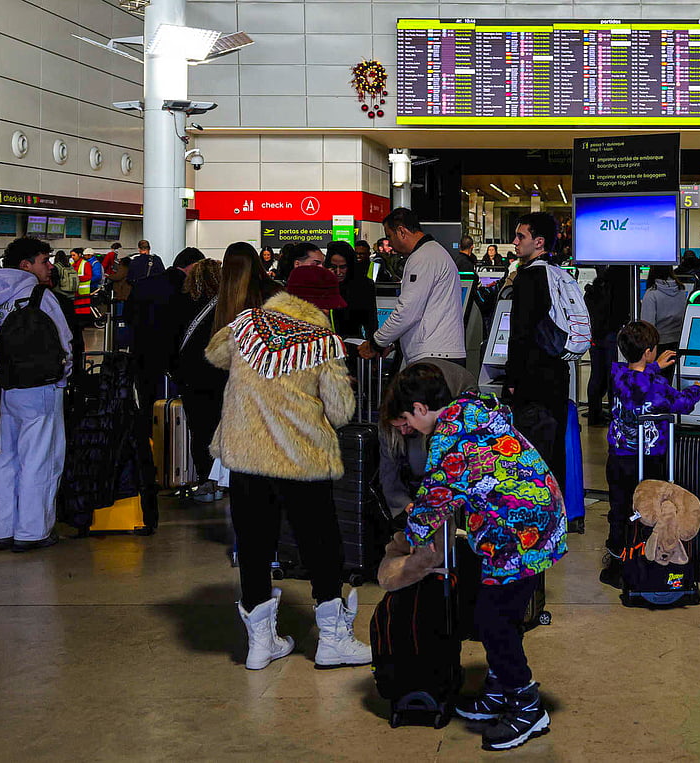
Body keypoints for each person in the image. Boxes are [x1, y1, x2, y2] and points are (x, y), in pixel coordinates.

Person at [380, 362, 567, 751]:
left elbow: (435, 498)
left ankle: (526, 705)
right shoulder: (474, 407)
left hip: (521, 532)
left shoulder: (450, 439)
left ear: (418, 408)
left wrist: (402, 540)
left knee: (492, 619)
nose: (405, 431)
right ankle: (500, 688)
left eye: (403, 423)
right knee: (499, 609)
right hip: (533, 518)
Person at [206, 248, 370, 671]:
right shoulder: (323, 342)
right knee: (321, 543)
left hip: (247, 455)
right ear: (321, 305)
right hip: (302, 458)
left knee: (256, 545)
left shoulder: (246, 325)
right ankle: (332, 640)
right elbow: (340, 411)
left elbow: (215, 356)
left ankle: (261, 644)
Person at [601, 321, 700, 585]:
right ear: (649, 351)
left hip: (618, 456)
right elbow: (680, 403)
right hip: (648, 458)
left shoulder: (616, 374)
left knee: (620, 507)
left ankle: (617, 557)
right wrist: (699, 389)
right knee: (650, 508)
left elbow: (635, 383)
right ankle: (648, 559)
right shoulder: (656, 386)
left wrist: (653, 366)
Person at [0, 237, 74, 551]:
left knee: (4, 458)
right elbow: (62, 342)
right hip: (39, 387)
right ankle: (33, 531)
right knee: (40, 457)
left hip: (2, 387)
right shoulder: (38, 294)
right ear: (26, 265)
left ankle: (1, 526)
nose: (50, 266)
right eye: (44, 260)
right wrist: (61, 379)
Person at [130, 246, 207, 525]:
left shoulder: (143, 286)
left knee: (148, 413)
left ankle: (153, 469)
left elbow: (130, 320)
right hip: (173, 364)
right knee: (180, 417)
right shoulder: (186, 290)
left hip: (142, 360)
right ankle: (180, 472)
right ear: (193, 266)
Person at [505, 212, 568, 488]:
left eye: (522, 236)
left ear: (539, 242)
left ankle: (534, 515)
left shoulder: (527, 278)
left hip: (532, 380)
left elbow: (520, 335)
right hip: (557, 374)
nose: (515, 242)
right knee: (553, 450)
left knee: (530, 452)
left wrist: (512, 379)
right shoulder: (558, 274)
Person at [358, 208, 465, 366]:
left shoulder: (422, 257)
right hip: (441, 353)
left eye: (389, 236)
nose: (390, 243)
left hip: (434, 357)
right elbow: (425, 311)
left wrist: (376, 342)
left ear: (401, 231)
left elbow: (407, 311)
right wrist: (393, 343)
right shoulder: (433, 252)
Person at [376, 358, 477, 517]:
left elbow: (445, 483)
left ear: (419, 409)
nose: (404, 431)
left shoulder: (456, 422)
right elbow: (388, 473)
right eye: (398, 427)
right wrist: (406, 505)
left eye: (407, 423)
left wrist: (425, 521)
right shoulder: (491, 416)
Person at [170, 258, 227, 502]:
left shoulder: (180, 303)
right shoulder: (225, 307)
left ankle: (205, 481)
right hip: (221, 375)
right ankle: (224, 479)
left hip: (192, 377)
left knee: (200, 429)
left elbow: (172, 339)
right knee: (222, 428)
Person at [584, 265, 633, 426]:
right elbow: (620, 312)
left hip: (595, 334)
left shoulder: (594, 289)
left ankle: (594, 413)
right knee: (613, 376)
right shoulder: (621, 287)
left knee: (596, 375)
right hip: (611, 334)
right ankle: (614, 414)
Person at [325, 241, 377, 340]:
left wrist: (371, 346)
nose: (338, 272)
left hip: (352, 343)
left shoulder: (364, 285)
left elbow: (371, 322)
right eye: (334, 267)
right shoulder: (321, 284)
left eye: (343, 267)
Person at [640, 265, 688, 373]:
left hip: (659, 347)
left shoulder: (651, 294)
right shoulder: (681, 290)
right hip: (678, 343)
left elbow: (648, 326)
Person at [69, 247, 93, 324]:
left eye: (73, 255)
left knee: (83, 311)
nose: (72, 257)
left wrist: (76, 278)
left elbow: (88, 276)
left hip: (83, 293)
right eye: (71, 255)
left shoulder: (85, 264)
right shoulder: (72, 265)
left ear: (79, 255)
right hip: (75, 292)